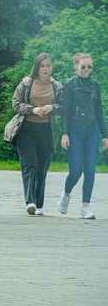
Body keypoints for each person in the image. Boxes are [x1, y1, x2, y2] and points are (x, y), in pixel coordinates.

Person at [11, 53, 62, 216]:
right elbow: (15, 104)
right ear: (37, 67)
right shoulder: (26, 83)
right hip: (26, 129)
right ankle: (30, 202)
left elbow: (64, 106)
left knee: (42, 168)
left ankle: (39, 204)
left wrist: (52, 108)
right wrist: (33, 109)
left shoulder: (57, 86)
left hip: (47, 130)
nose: (45, 69)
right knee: (29, 165)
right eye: (42, 66)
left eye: (48, 66)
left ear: (51, 67)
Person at [57, 53, 107, 219]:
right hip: (75, 131)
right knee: (76, 170)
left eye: (89, 67)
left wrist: (105, 135)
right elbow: (65, 112)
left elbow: (99, 111)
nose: (86, 70)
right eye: (83, 66)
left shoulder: (95, 85)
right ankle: (66, 193)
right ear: (76, 67)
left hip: (92, 131)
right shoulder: (70, 85)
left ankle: (85, 207)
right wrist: (64, 133)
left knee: (90, 170)